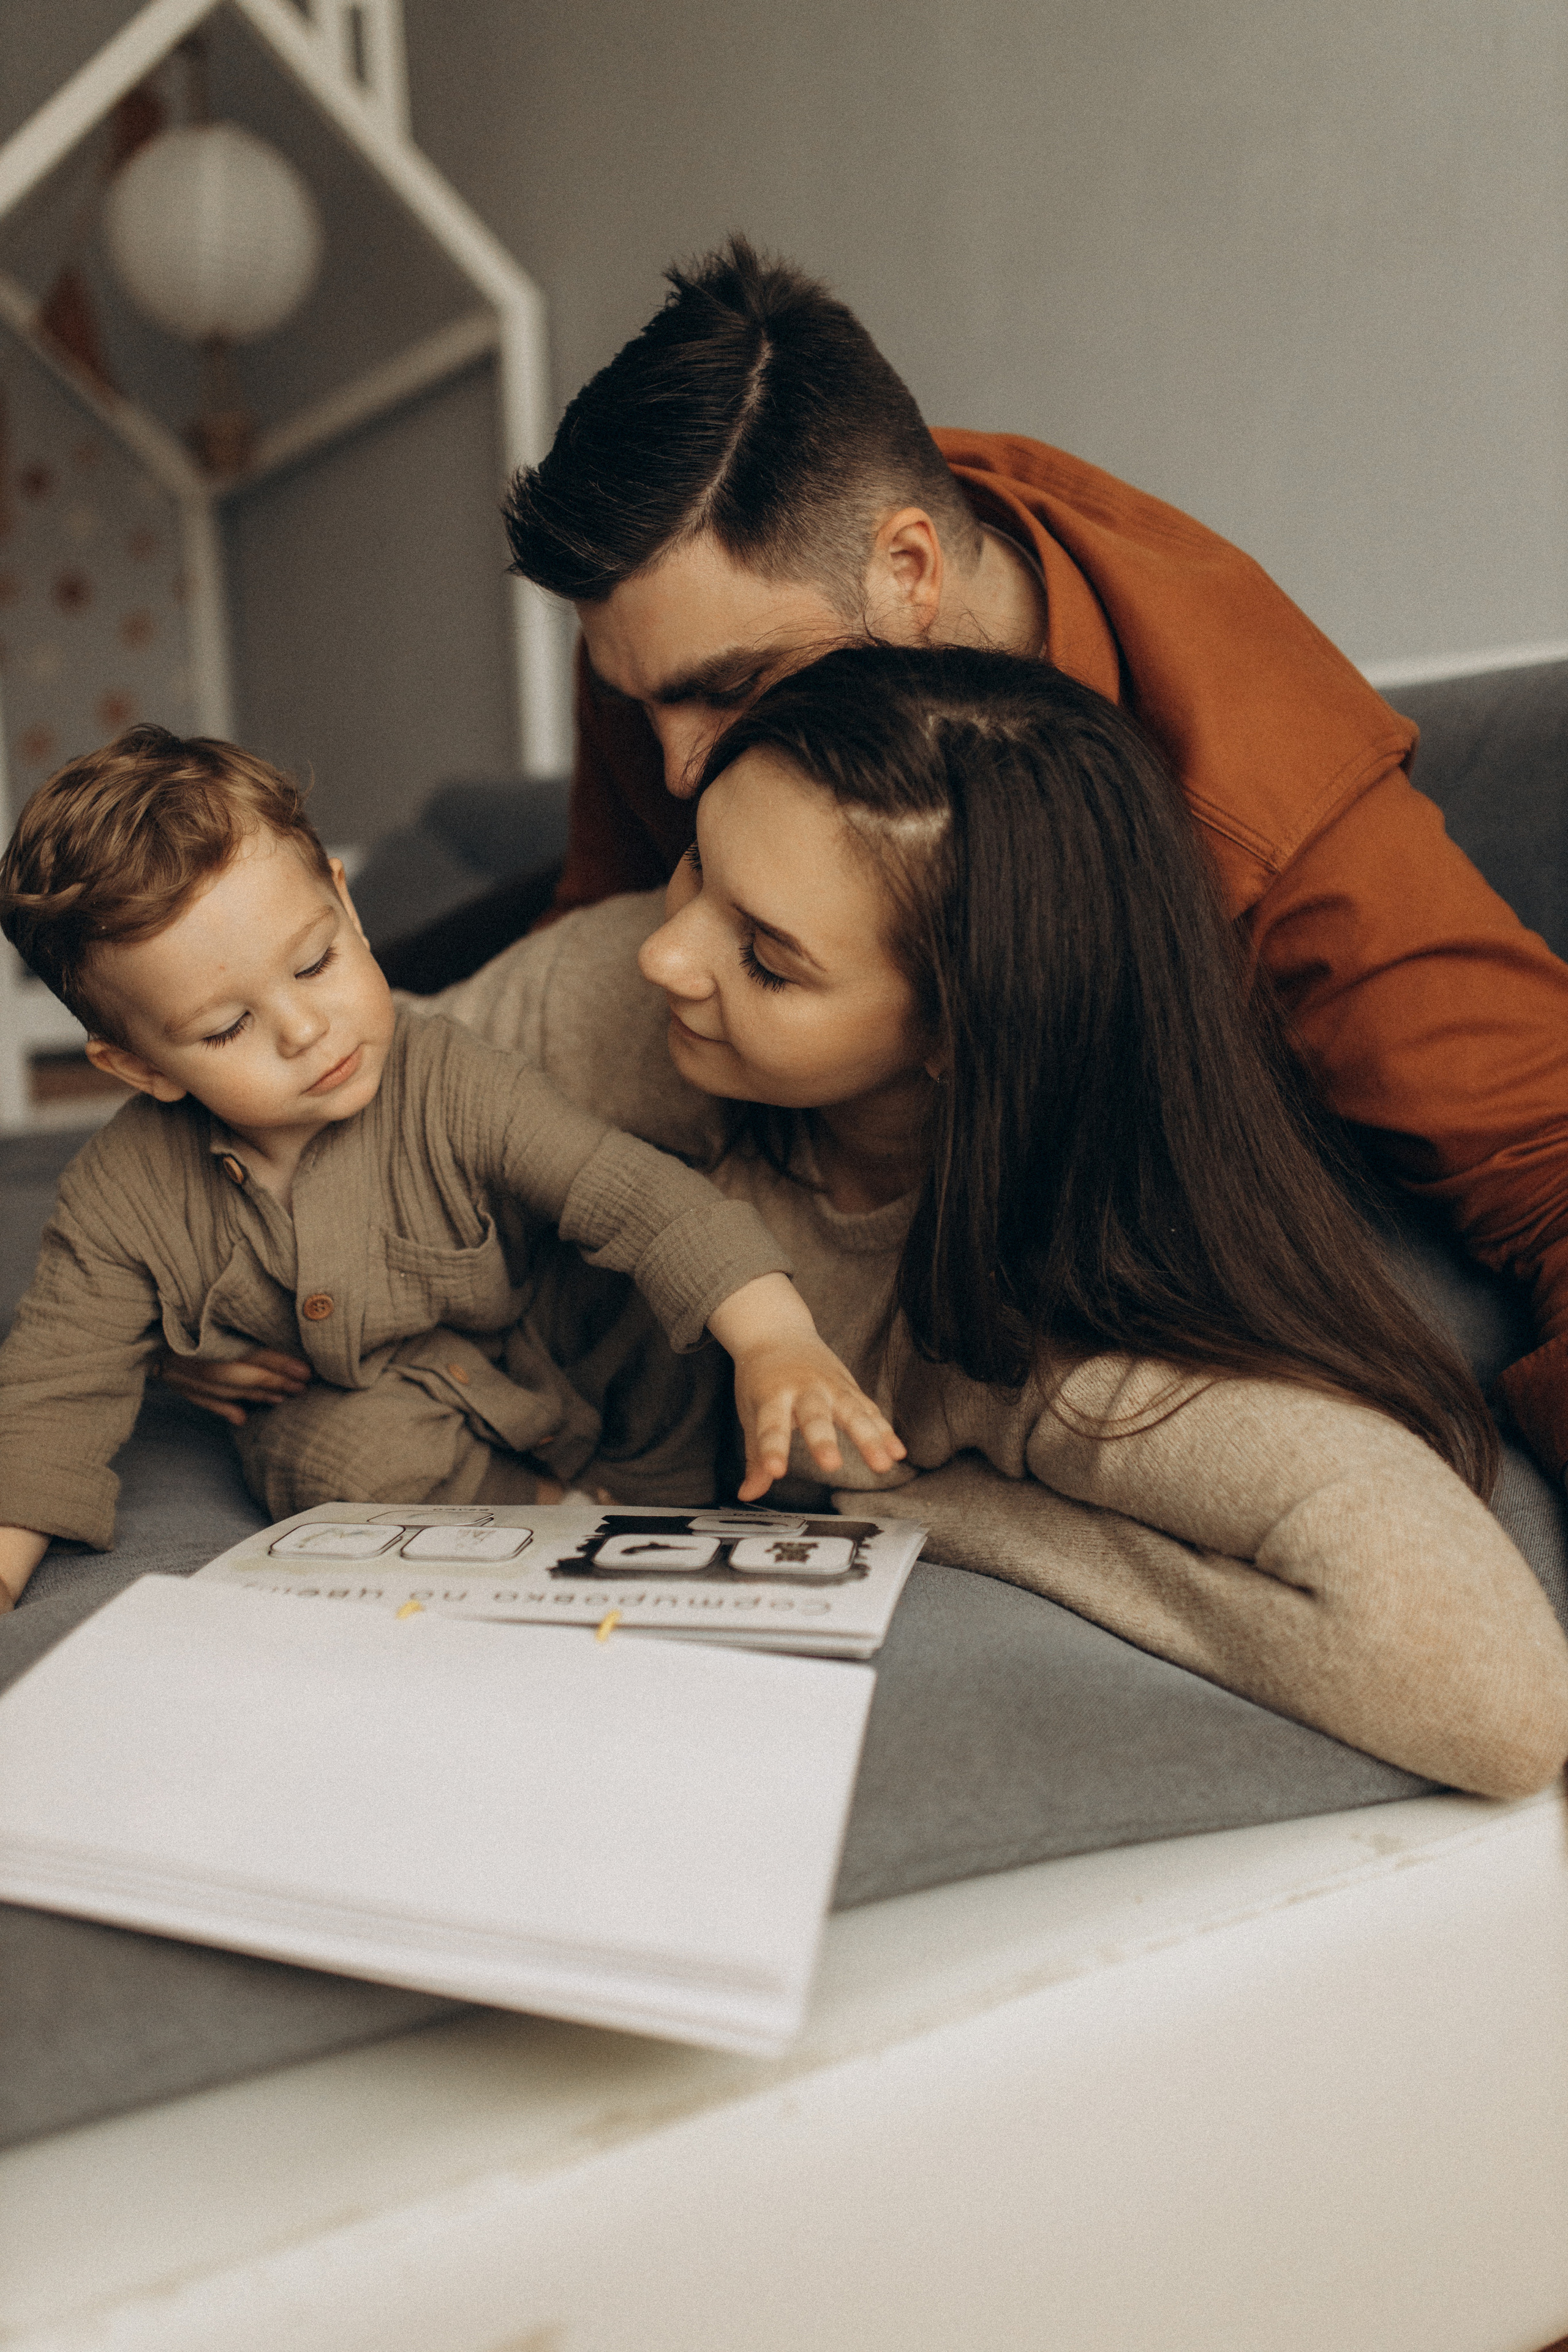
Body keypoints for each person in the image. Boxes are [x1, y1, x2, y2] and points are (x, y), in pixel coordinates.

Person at [480, 236, 1568, 1487]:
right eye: (636, 703)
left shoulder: (1262, 803)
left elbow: (1545, 1164)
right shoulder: (700, 615)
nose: (677, 772)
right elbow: (610, 952)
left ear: (909, 577)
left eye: (725, 694)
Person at [409, 644, 1568, 1801]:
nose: (667, 953)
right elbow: (347, 1112)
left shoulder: (1084, 1358)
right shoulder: (633, 986)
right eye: (694, 866)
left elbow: (1505, 1707)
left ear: (958, 1033)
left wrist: (920, 1511)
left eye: (766, 959)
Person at [0, 726, 904, 1610]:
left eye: (315, 963)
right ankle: (559, 1517)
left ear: (347, 908)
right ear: (140, 1065)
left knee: (660, 1327)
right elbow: (53, 1388)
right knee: (328, 1460)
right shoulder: (123, 1192)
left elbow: (637, 1198)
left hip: (560, 1352)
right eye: (226, 1028)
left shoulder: (449, 1078)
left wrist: (775, 1341)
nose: (305, 1030)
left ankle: (680, 1498)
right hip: (393, 1406)